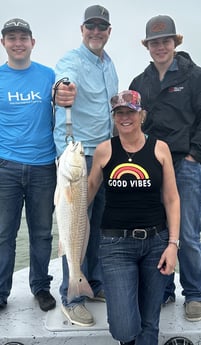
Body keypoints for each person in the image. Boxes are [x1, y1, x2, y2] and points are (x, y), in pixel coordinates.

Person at [87, 90, 180, 345]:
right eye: (119, 113)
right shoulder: (104, 150)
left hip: (156, 242)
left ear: (142, 115)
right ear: (114, 117)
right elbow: (85, 196)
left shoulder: (160, 149)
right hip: (115, 245)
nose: (125, 117)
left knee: (149, 321)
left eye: (130, 112)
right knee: (124, 326)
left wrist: (173, 245)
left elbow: (172, 199)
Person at [129, 14, 201, 322]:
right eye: (155, 42)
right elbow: (129, 124)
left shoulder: (194, 76)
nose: (160, 47)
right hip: (152, 168)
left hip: (185, 165)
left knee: (186, 232)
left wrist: (194, 154)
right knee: (158, 233)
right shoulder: (139, 83)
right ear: (147, 46)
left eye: (166, 41)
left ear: (175, 42)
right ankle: (164, 289)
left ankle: (195, 293)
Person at [53, 5, 118, 326]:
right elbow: (65, 78)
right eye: (90, 27)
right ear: (82, 30)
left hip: (105, 156)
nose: (96, 32)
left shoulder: (109, 64)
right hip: (79, 160)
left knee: (98, 226)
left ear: (109, 32)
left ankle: (92, 282)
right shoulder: (72, 60)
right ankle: (71, 293)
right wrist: (63, 87)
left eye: (101, 27)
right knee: (73, 225)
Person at [0, 18, 57, 312]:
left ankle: (41, 287)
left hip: (44, 166)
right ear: (3, 43)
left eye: (23, 37)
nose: (18, 43)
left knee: (42, 233)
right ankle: (0, 291)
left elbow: (66, 111)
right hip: (6, 167)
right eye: (12, 37)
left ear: (32, 43)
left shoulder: (49, 76)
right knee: (4, 234)